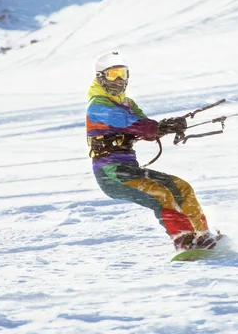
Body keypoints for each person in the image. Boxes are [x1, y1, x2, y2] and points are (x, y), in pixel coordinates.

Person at [86, 52, 221, 250]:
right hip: (111, 173)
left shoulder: (127, 103)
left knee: (181, 186)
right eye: (113, 74)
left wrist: (170, 125)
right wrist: (157, 127)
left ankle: (202, 235)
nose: (119, 79)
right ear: (101, 77)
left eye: (122, 74)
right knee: (161, 194)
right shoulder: (98, 105)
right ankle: (184, 239)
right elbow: (133, 124)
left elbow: (146, 127)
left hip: (130, 169)